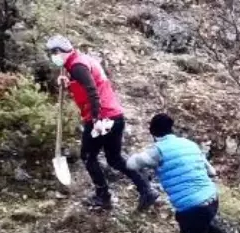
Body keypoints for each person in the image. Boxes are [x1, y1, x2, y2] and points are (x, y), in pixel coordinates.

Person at [45, 36, 157, 211]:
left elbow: (92, 91)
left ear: (60, 52)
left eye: (54, 53)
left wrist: (97, 119)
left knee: (88, 157)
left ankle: (103, 196)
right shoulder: (82, 61)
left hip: (102, 118)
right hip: (115, 115)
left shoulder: (77, 66)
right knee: (115, 159)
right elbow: (87, 85)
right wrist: (68, 84)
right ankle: (146, 190)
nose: (53, 57)